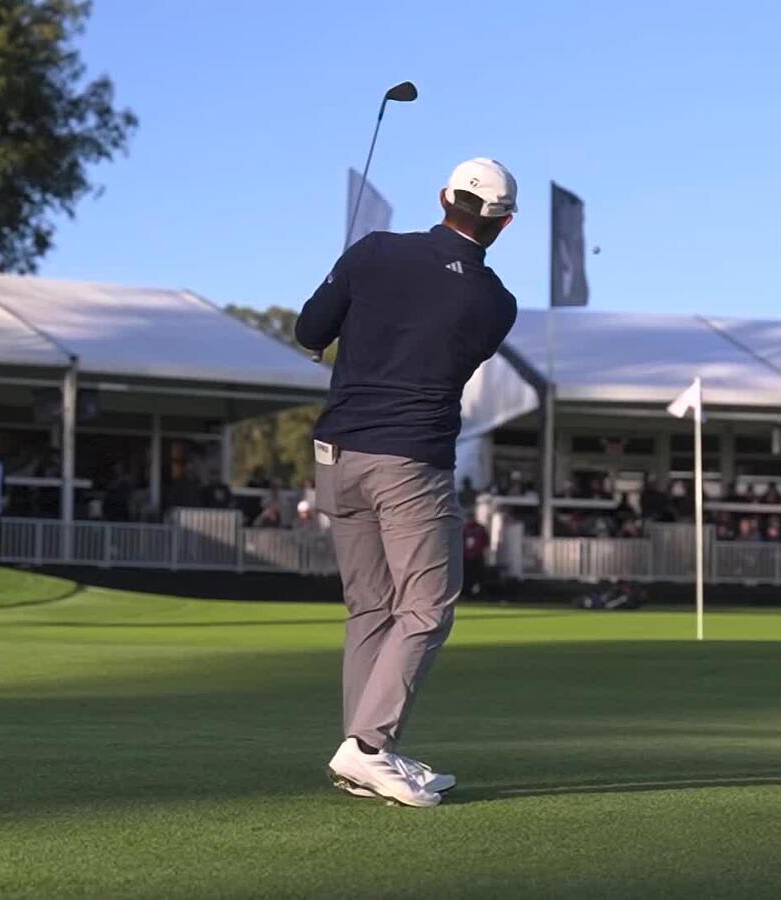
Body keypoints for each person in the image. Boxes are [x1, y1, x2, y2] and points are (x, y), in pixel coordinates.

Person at [296, 157, 519, 808]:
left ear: (444, 197)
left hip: (338, 453)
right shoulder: (496, 303)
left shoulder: (372, 251)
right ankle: (368, 749)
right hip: (409, 461)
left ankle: (364, 752)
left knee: (370, 609)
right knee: (425, 607)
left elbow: (310, 332)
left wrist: (350, 280)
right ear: (504, 223)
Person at [462, 518, 490, 599]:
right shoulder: (465, 529)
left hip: (476, 556)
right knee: (468, 577)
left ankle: (479, 593)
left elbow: (485, 542)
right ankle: (468, 593)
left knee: (479, 576)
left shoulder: (479, 529)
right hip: (468, 557)